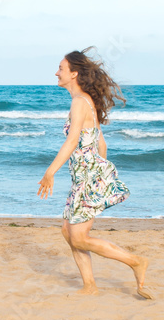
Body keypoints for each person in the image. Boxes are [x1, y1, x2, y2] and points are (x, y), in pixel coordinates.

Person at [37, 48, 152, 299]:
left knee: (78, 237)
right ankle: (90, 286)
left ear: (74, 73)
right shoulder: (85, 100)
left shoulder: (80, 102)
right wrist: (101, 172)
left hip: (87, 177)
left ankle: (135, 261)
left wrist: (50, 172)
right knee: (68, 232)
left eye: (61, 68)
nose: (56, 73)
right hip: (85, 176)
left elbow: (72, 142)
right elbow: (101, 142)